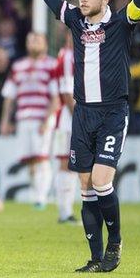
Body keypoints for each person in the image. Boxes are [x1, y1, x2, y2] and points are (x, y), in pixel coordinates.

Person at [1, 0, 140, 272]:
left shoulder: (122, 21)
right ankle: (96, 258)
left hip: (113, 112)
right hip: (82, 113)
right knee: (85, 188)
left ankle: (115, 244)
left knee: (101, 181)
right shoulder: (74, 20)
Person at [0, 32, 60, 210]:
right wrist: (5, 121)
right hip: (23, 119)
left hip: (42, 117)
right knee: (31, 161)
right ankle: (37, 195)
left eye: (37, 40)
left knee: (42, 158)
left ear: (45, 44)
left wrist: (47, 118)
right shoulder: (18, 66)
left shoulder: (51, 65)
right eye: (30, 40)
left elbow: (56, 97)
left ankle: (41, 197)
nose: (33, 43)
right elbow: (9, 96)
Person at [53, 33, 78, 224]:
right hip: (67, 120)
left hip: (67, 119)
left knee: (70, 164)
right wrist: (80, 117)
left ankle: (66, 211)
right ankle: (65, 212)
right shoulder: (69, 56)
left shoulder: (68, 55)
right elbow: (67, 92)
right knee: (66, 164)